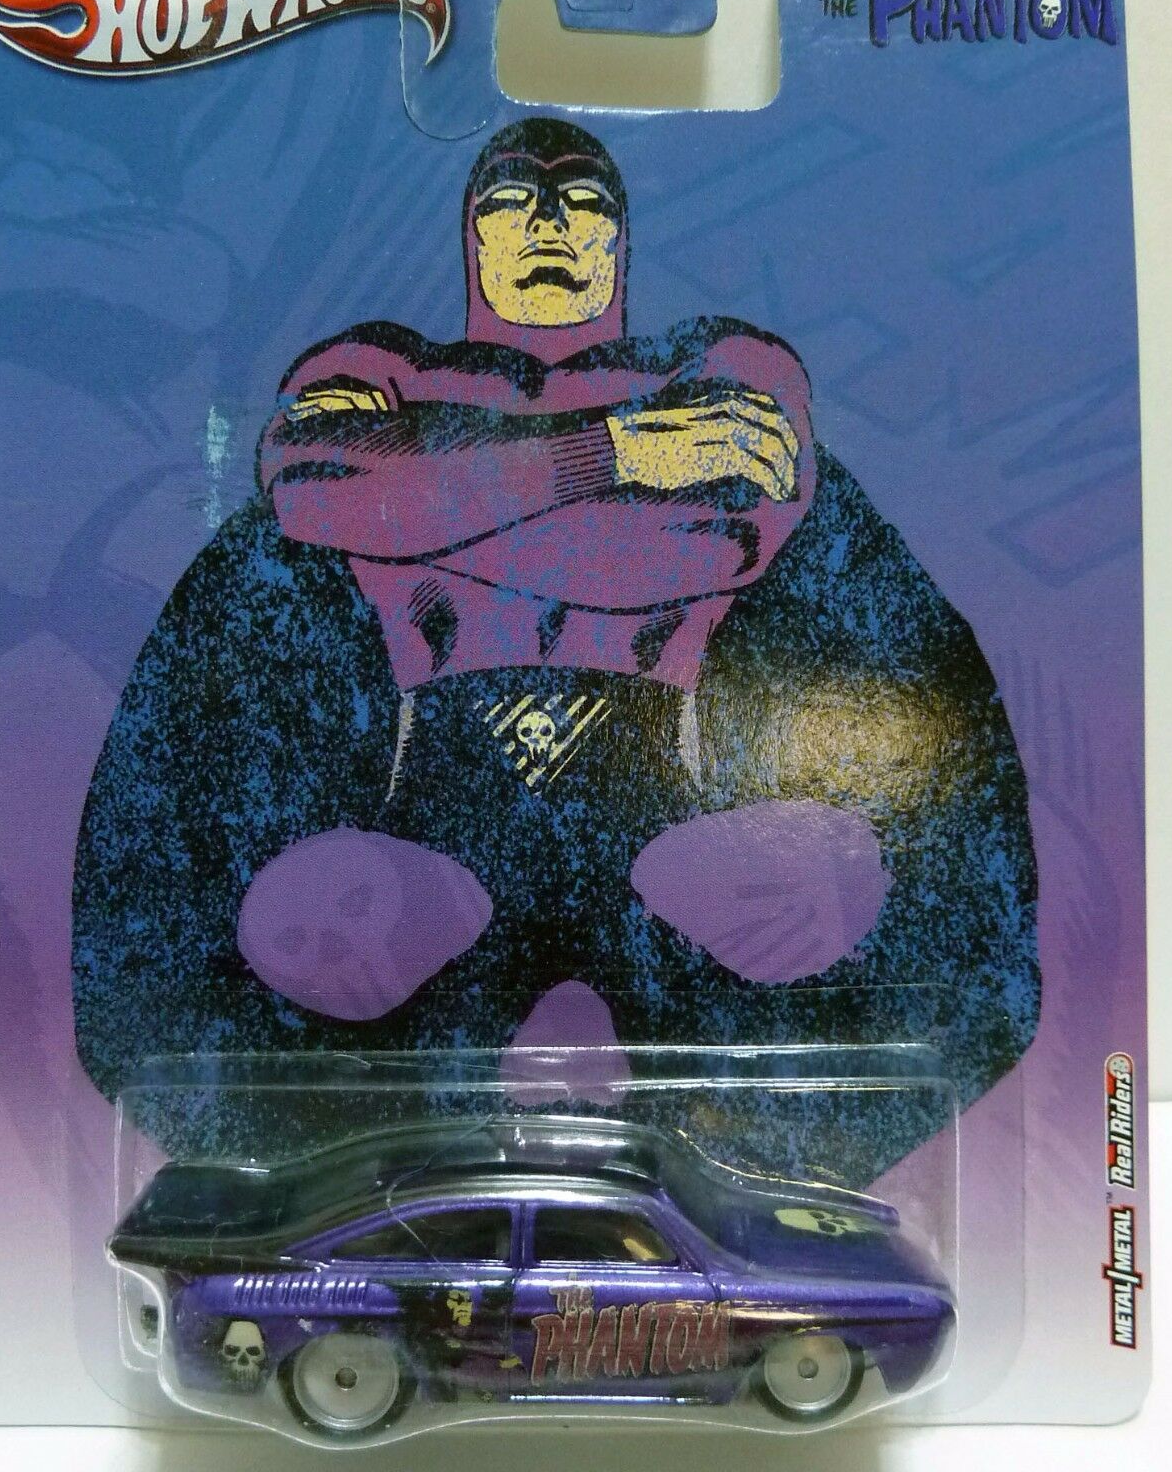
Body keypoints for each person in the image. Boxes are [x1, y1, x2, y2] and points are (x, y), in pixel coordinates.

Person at [74, 119, 1037, 1184]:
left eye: (580, 202)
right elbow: (314, 490)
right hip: (437, 785)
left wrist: (422, 503)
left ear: (619, 239)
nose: (548, 225)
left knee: (753, 993)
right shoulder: (381, 363)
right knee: (354, 1004)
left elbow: (726, 527)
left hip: (654, 780)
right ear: (470, 236)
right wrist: (619, 453)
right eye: (513, 202)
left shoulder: (719, 363)